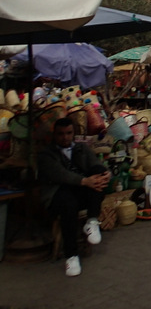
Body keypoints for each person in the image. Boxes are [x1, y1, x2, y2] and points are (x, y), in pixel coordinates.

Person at [38, 117, 111, 277]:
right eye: (61, 134)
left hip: (80, 190)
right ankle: (71, 256)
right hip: (57, 195)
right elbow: (60, 175)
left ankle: (92, 221)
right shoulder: (46, 154)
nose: (65, 137)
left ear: (73, 133)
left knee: (98, 176)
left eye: (69, 133)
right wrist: (85, 181)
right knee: (68, 203)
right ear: (55, 135)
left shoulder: (81, 148)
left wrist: (105, 174)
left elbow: (94, 163)